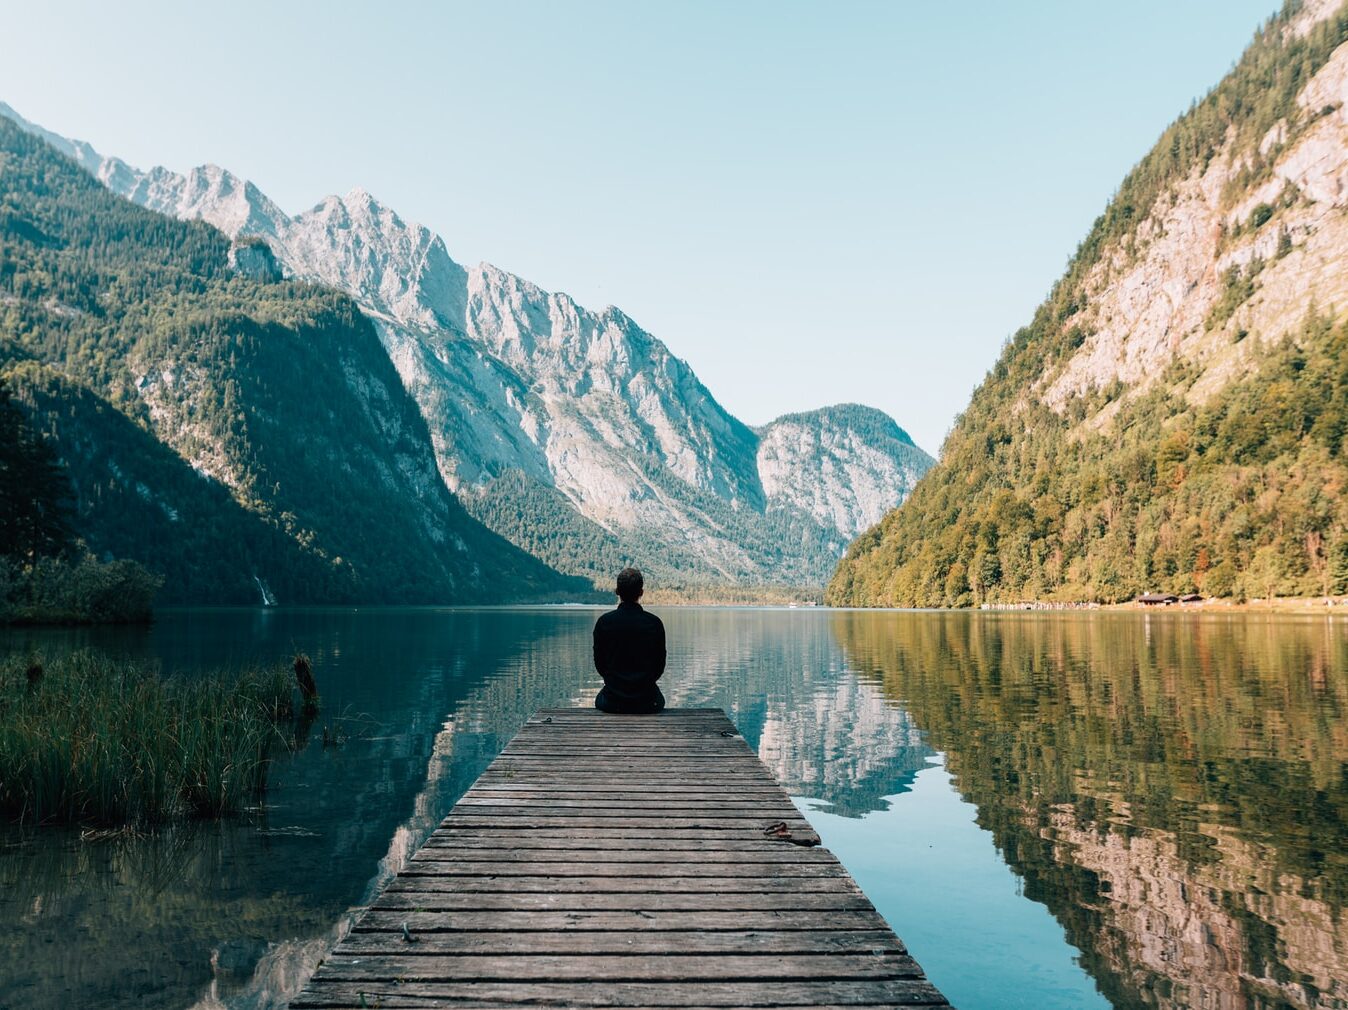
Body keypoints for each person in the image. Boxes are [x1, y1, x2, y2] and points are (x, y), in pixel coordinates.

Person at [592, 567, 665, 714]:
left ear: (617, 591)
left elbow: (600, 664)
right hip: (648, 702)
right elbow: (659, 665)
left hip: (612, 702)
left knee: (600, 699)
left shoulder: (604, 622)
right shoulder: (654, 623)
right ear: (641, 592)